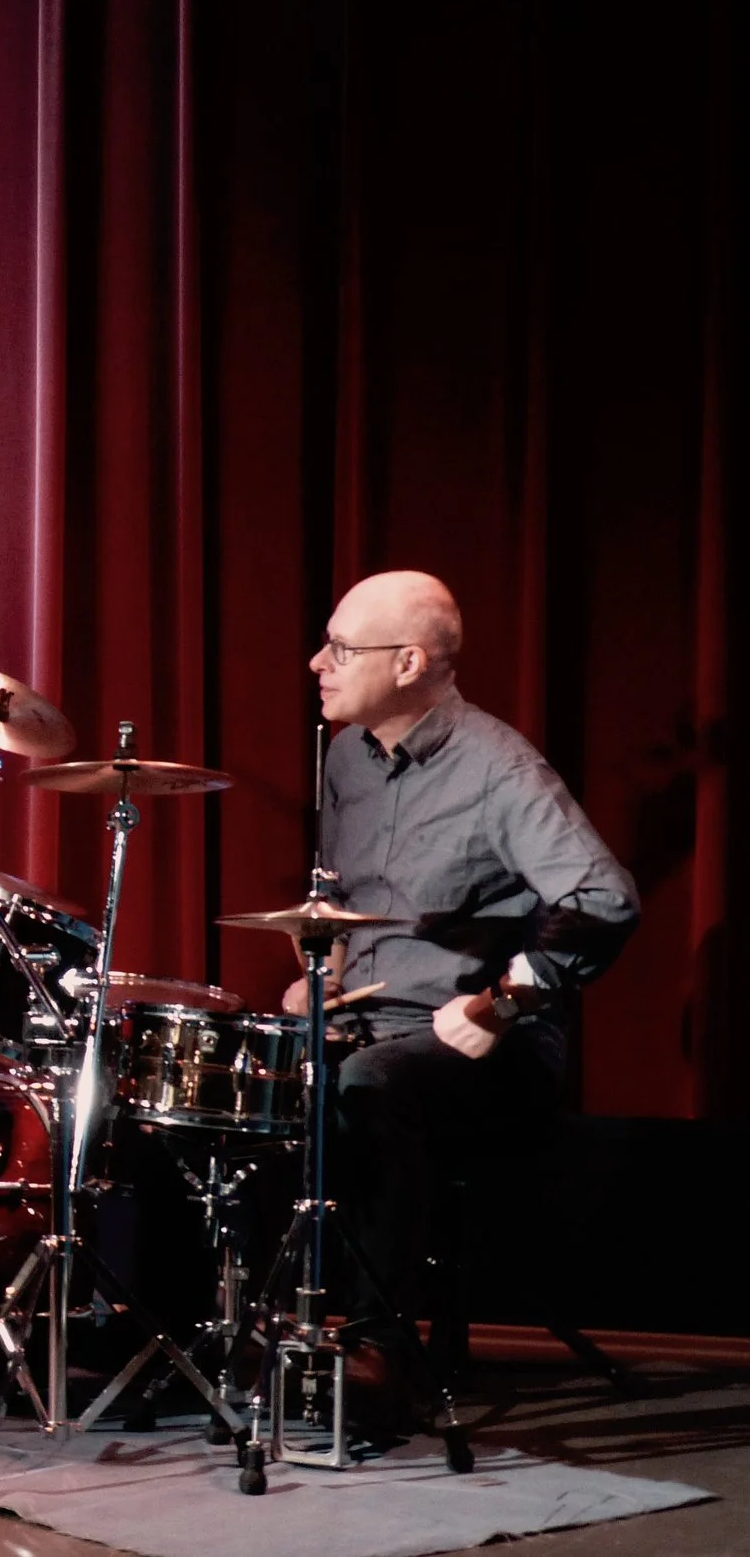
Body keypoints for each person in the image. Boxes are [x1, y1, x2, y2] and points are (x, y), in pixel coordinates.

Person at [283, 570, 637, 1340]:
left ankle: (379, 1346)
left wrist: (501, 1004)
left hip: (481, 1038)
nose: (317, 663)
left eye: (340, 648)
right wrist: (324, 973)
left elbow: (603, 899)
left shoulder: (498, 770)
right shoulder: (348, 758)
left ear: (407, 662)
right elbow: (342, 893)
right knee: (236, 1075)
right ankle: (226, 1329)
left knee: (368, 1082)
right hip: (370, 1015)